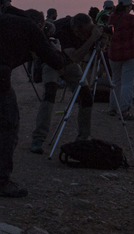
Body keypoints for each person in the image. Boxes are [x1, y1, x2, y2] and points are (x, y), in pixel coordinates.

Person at [0, 8, 72, 198]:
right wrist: (56, 50)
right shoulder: (28, 26)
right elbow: (56, 62)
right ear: (38, 24)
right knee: (8, 125)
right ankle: (0, 182)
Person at [30, 13, 103, 154]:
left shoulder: (84, 29)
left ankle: (83, 137)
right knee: (50, 94)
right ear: (76, 29)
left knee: (86, 97)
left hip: (69, 64)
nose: (86, 35)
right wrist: (93, 38)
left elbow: (87, 55)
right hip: (52, 62)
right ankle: (38, 138)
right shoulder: (62, 31)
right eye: (85, 32)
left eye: (90, 31)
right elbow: (75, 57)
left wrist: (100, 40)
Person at [107, 0, 134, 120]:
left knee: (115, 82)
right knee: (127, 83)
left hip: (114, 54)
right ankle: (124, 111)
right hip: (130, 53)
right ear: (129, 5)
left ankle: (113, 108)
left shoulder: (111, 17)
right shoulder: (131, 18)